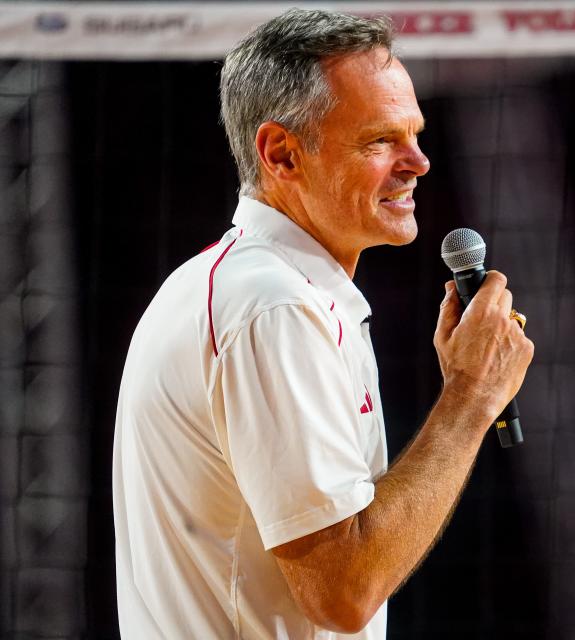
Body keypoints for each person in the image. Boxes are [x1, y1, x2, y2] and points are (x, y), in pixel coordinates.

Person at [112, 8, 533, 639]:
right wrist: (471, 397)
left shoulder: (239, 284)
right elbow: (343, 592)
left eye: (415, 134)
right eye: (380, 140)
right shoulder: (274, 306)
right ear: (282, 153)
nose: (417, 161)